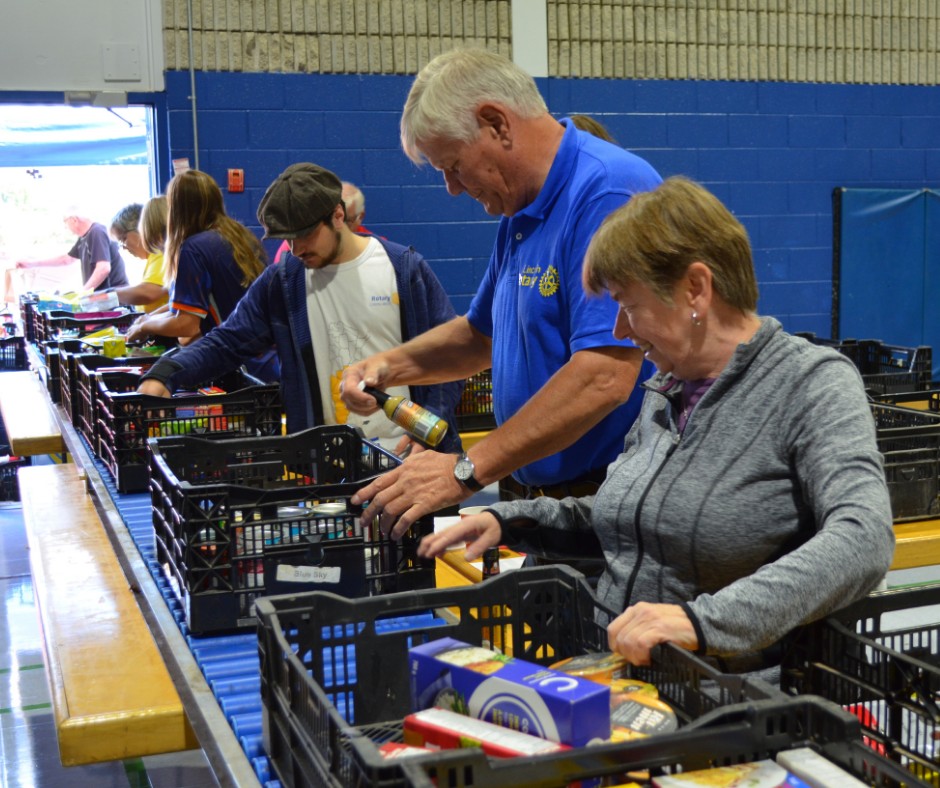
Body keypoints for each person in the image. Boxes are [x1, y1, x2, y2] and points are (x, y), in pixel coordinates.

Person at [419, 176, 895, 674]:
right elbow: (628, 518)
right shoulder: (667, 385)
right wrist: (510, 520)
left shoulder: (811, 382)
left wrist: (702, 622)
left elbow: (863, 537)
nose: (620, 330)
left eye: (627, 305)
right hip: (622, 671)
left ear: (695, 288)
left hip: (728, 696)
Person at [341, 47, 661, 539]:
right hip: (544, 500)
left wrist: (467, 469)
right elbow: (480, 336)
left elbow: (605, 376)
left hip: (610, 510)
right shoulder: (521, 213)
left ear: (496, 123)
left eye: (453, 165)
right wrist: (387, 367)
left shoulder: (607, 191)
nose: (451, 187)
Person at [137, 162, 464, 454]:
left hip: (412, 460)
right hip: (330, 466)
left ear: (338, 215)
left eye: (304, 234)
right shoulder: (283, 281)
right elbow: (227, 342)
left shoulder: (404, 270)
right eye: (286, 238)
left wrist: (431, 426)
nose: (295, 249)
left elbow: (449, 355)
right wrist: (166, 375)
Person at [125, 170, 267, 347]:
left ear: (176, 209)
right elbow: (181, 310)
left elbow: (187, 326)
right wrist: (148, 321)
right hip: (261, 348)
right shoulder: (239, 234)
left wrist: (144, 327)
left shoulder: (194, 248)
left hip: (236, 354)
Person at [16, 207, 129, 292]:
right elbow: (66, 259)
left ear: (74, 219)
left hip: (115, 299)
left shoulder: (97, 232)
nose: (67, 228)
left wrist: (83, 293)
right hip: (103, 298)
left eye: (66, 223)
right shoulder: (84, 237)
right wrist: (31, 264)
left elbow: (103, 268)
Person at [108, 200, 168, 312]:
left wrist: (106, 296)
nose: (123, 247)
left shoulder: (160, 253)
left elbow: (149, 292)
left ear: (140, 229)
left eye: (123, 239)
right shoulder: (152, 257)